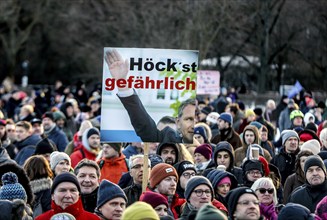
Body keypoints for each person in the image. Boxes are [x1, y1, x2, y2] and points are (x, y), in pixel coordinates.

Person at [105, 49, 195, 143]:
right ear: (178, 122)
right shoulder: (168, 138)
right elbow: (144, 124)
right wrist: (121, 81)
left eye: (197, 119)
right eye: (189, 119)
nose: (193, 125)